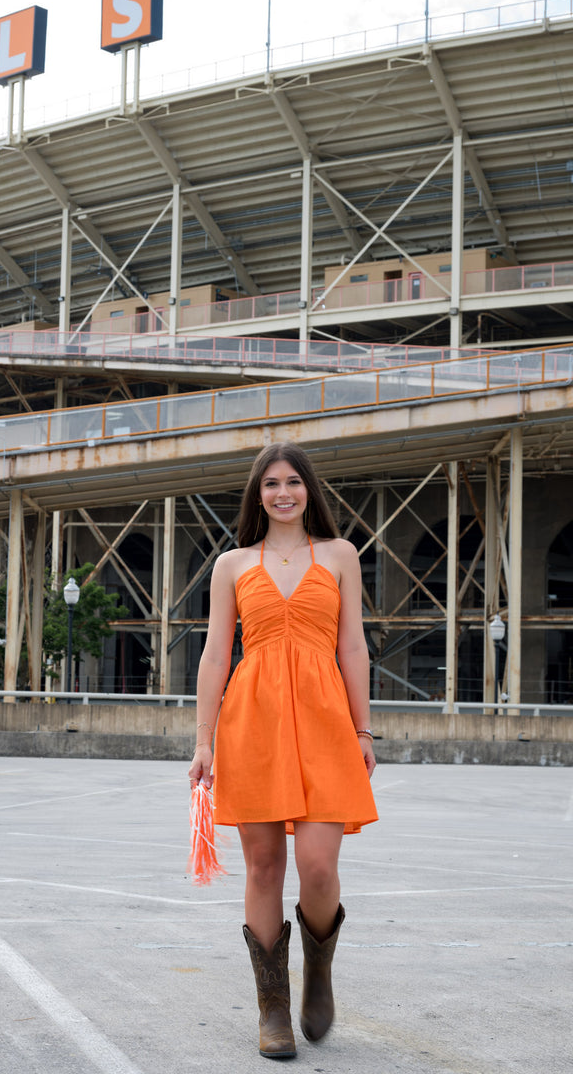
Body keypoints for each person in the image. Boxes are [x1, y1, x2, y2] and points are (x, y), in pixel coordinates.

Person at [188, 441, 377, 1059]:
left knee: (320, 866)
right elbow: (216, 654)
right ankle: (273, 1007)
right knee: (265, 866)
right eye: (270, 483)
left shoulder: (342, 555)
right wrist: (203, 742)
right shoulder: (232, 565)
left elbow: (353, 648)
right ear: (257, 494)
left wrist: (363, 730)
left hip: (327, 722)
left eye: (293, 481)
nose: (283, 492)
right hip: (254, 721)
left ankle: (318, 969)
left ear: (309, 490)